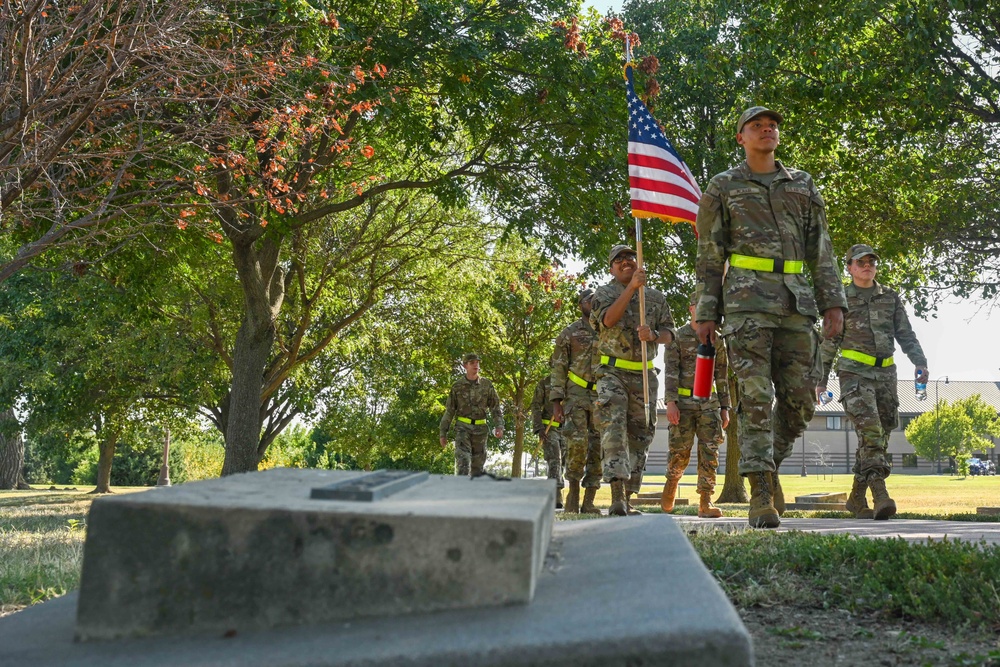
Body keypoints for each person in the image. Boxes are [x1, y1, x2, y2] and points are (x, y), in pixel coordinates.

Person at [694, 106, 847, 528]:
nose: (768, 129)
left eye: (773, 124)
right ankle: (760, 491)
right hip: (745, 304)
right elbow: (710, 254)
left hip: (797, 304)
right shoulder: (723, 185)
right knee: (756, 397)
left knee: (800, 402)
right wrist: (707, 309)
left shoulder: (802, 184)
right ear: (741, 137)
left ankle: (769, 465)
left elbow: (822, 248)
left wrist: (833, 302)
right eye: (757, 125)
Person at [818, 244, 928, 520]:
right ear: (850, 267)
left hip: (886, 376)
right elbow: (829, 342)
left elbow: (905, 333)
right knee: (871, 433)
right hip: (854, 375)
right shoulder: (840, 299)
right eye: (861, 261)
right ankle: (880, 494)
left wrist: (920, 362)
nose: (867, 265)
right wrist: (820, 380)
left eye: (872, 261)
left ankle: (856, 498)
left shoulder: (889, 296)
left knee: (880, 437)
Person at [591, 244, 675, 516]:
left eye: (630, 257)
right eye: (618, 259)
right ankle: (616, 496)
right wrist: (631, 288)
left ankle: (627, 497)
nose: (625, 262)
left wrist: (653, 336)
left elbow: (670, 334)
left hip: (645, 375)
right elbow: (608, 320)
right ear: (611, 267)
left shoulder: (656, 298)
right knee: (614, 431)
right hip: (612, 372)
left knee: (641, 435)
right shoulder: (603, 294)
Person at [662, 289, 731, 518]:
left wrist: (724, 407)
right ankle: (672, 482)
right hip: (682, 401)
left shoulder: (716, 339)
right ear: (691, 309)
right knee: (680, 451)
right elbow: (671, 371)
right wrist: (670, 402)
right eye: (697, 307)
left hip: (708, 403)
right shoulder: (677, 337)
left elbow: (722, 374)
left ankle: (705, 501)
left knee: (710, 450)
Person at [550, 289, 603, 514]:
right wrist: (556, 401)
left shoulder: (608, 329)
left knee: (598, 446)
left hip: (602, 396)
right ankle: (573, 491)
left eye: (594, 300)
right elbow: (558, 367)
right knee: (577, 444)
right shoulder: (569, 333)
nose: (590, 303)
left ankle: (589, 499)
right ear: (580, 305)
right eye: (586, 300)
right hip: (576, 394)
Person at [439, 353, 504, 476]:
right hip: (463, 429)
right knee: (463, 464)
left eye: (477, 362)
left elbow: (495, 408)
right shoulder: (457, 386)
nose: (476, 365)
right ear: (465, 366)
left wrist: (499, 426)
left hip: (481, 431)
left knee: (477, 470)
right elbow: (450, 411)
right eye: (472, 362)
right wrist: (443, 432)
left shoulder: (487, 385)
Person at [530, 373, 566, 508]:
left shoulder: (572, 383)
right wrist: (539, 427)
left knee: (564, 461)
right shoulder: (544, 383)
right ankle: (555, 493)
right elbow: (535, 406)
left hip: (568, 429)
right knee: (554, 459)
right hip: (549, 429)